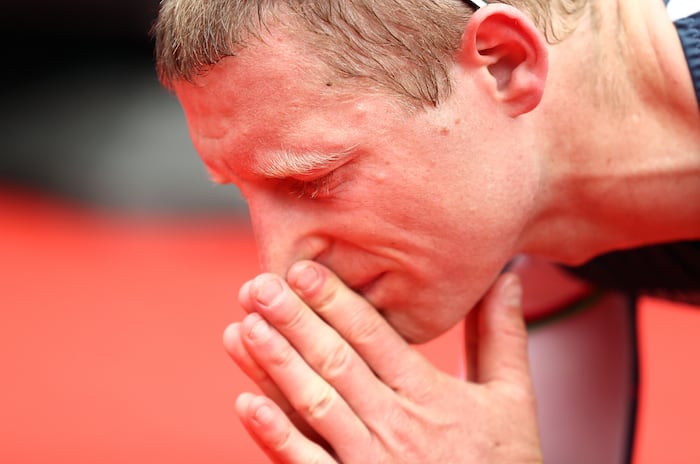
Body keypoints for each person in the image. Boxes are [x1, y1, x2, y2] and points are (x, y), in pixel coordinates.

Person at [152, 0, 700, 462]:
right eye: (241, 192)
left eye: (316, 178)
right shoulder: (520, 225)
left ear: (504, 62)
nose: (281, 267)